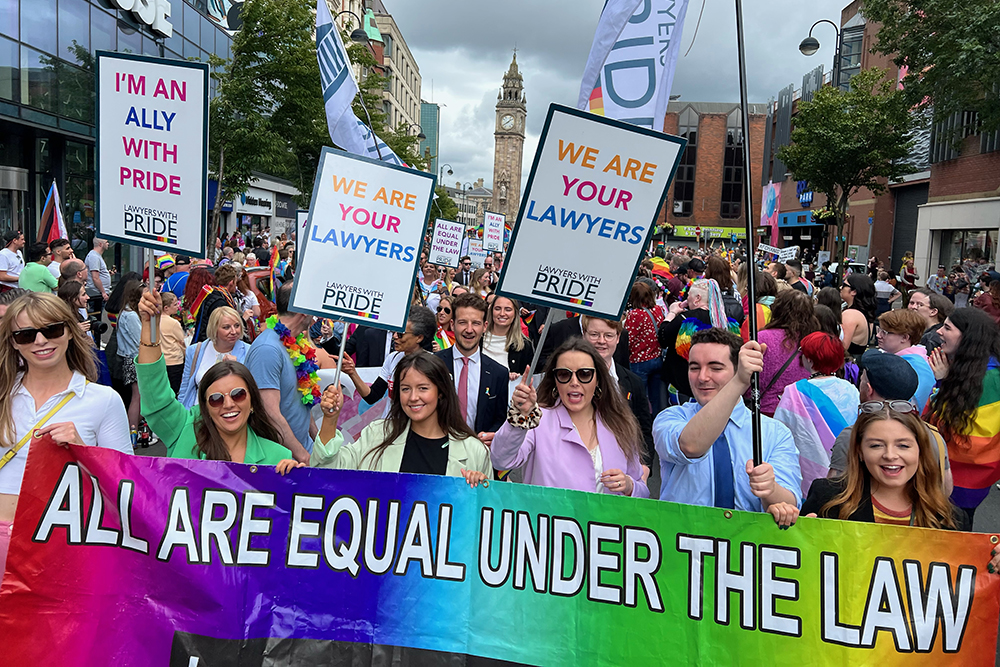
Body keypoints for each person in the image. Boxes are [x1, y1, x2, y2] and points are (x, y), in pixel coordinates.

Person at [0, 292, 133, 572]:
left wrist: (83, 450)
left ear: (70, 331)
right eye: (26, 335)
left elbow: (126, 490)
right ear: (13, 343)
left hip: (62, 542)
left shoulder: (103, 400)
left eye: (51, 329)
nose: (40, 341)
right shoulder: (3, 398)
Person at [653, 329, 802, 526]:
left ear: (737, 368)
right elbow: (690, 446)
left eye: (715, 368)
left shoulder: (774, 433)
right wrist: (739, 382)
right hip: (683, 544)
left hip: (744, 546)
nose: (703, 377)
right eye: (694, 367)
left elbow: (789, 502)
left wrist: (771, 489)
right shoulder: (672, 417)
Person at [135, 289, 295, 466]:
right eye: (216, 399)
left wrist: (293, 480)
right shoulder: (185, 432)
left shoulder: (279, 457)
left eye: (238, 394)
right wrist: (149, 327)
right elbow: (155, 397)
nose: (228, 404)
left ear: (252, 401)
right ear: (204, 407)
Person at [492, 339, 649, 497]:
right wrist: (520, 417)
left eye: (584, 374)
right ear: (555, 381)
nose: (574, 382)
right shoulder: (538, 420)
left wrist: (629, 486)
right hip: (550, 520)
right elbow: (501, 460)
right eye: (564, 374)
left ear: (598, 379)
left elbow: (641, 490)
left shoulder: (619, 424)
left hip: (606, 520)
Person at [310, 352, 491, 486]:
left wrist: (482, 489)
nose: (413, 397)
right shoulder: (377, 434)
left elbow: (488, 517)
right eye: (405, 389)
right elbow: (327, 470)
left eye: (423, 388)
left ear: (441, 392)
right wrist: (330, 419)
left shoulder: (474, 451)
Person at [799, 404, 967, 530]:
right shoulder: (826, 499)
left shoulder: (952, 519)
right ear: (860, 451)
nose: (890, 455)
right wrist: (785, 524)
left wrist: (992, 565)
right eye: (876, 445)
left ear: (920, 450)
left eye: (903, 445)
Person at [827, 350, 952, 495]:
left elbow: (832, 491)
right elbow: (945, 488)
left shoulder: (852, 436)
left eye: (862, 380)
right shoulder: (934, 435)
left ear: (868, 389)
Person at [925, 307, 1000, 521]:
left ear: (967, 338)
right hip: (969, 478)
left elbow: (948, 427)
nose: (939, 331)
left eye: (947, 328)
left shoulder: (989, 380)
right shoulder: (975, 369)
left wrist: (942, 382)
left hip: (961, 478)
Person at [773, 332, 859, 493]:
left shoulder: (794, 392)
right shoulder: (851, 390)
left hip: (807, 469)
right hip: (844, 468)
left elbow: (781, 430)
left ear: (810, 359)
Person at [243, 282, 317, 463]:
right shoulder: (267, 349)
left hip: (302, 450)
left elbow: (301, 400)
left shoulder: (295, 342)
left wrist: (317, 440)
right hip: (282, 461)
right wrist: (302, 455)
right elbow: (270, 414)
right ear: (304, 311)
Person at [433, 294, 508, 446]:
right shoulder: (433, 364)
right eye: (462, 322)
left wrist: (491, 435)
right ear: (452, 324)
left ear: (485, 326)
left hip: (478, 455)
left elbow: (500, 419)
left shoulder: (498, 373)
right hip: (436, 453)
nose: (469, 330)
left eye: (475, 323)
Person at [339, 306, 436, 415]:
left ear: (419, 337)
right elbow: (372, 396)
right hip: (390, 426)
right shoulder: (392, 358)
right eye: (395, 331)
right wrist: (352, 372)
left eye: (400, 334)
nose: (395, 336)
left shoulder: (433, 365)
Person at [581, 315, 654, 461]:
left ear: (618, 337)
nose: (601, 341)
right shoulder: (566, 379)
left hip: (619, 472)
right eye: (594, 334)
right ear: (584, 335)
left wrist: (645, 467)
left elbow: (644, 431)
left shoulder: (633, 383)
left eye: (608, 335)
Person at [658, 278, 738, 402]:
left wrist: (672, 313)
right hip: (716, 386)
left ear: (697, 298)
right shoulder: (726, 322)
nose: (686, 299)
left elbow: (663, 338)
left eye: (689, 296)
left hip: (684, 385)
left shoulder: (685, 319)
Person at [756, 289, 817, 416]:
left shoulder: (763, 338)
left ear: (778, 310)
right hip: (801, 413)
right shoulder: (813, 341)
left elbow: (753, 379)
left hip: (766, 411)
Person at [177, 306, 247, 408]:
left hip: (231, 413)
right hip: (198, 415)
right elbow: (185, 388)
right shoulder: (195, 351)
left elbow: (253, 388)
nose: (233, 331)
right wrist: (182, 414)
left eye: (237, 326)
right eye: (226, 327)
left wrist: (238, 367)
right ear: (214, 328)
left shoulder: (250, 351)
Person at [875, 309, 935, 412]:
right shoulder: (897, 358)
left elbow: (909, 408)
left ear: (904, 337)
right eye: (878, 330)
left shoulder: (915, 367)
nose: (878, 335)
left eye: (884, 332)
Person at [623, 281, 666, 414]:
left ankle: (641, 423)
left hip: (639, 361)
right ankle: (656, 422)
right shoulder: (658, 310)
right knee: (656, 397)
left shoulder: (634, 315)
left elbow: (628, 340)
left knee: (638, 397)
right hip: (657, 357)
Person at [115, 280, 144, 444]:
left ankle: (133, 431)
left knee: (138, 396)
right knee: (138, 397)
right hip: (134, 358)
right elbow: (140, 339)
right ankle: (131, 432)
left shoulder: (124, 312)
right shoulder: (131, 315)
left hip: (129, 357)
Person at [482, 295, 534, 381]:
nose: (502, 313)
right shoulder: (477, 338)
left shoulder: (524, 345)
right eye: (497, 309)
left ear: (515, 313)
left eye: (508, 310)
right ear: (491, 311)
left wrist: (517, 378)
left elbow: (529, 379)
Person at [190, 264, 241, 343]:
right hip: (211, 343)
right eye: (236, 282)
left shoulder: (213, 294)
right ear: (231, 282)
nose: (236, 285)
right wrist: (244, 318)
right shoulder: (220, 302)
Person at [156, 292, 187, 396]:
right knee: (175, 390)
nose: (178, 306)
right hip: (174, 360)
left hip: (161, 360)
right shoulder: (173, 323)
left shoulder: (155, 321)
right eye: (174, 304)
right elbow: (181, 341)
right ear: (166, 308)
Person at [840, 273, 877, 356]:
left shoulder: (850, 314)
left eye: (844, 285)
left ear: (854, 291)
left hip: (845, 365)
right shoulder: (865, 314)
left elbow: (842, 347)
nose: (840, 288)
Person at [908, 287, 952, 353]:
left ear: (933, 312)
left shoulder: (930, 338)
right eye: (911, 303)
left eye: (920, 305)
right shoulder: (933, 333)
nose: (915, 307)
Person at [84, 237, 111, 316]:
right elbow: (95, 277)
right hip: (97, 293)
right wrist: (103, 292)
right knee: (97, 315)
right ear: (100, 244)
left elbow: (97, 273)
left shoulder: (96, 256)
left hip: (99, 293)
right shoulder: (94, 257)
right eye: (106, 242)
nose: (108, 244)